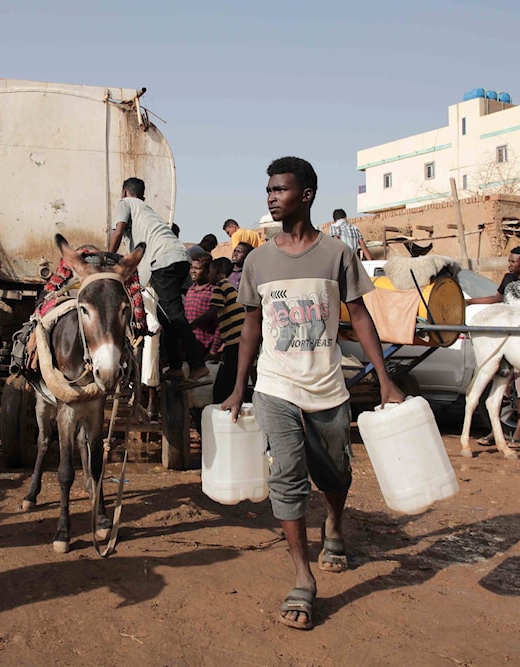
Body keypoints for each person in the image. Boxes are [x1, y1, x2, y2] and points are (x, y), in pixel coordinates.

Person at [221, 156, 404, 631]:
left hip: (327, 386)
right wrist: (240, 388)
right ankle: (303, 578)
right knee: (287, 474)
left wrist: (384, 379)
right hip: (275, 386)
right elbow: (250, 330)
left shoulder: (336, 255)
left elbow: (359, 316)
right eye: (268, 189)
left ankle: (335, 525)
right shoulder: (258, 260)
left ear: (306, 195)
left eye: (279, 189)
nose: (270, 196)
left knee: (336, 474)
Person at [108, 177, 208, 381]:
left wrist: (108, 259)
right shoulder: (147, 210)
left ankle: (198, 364)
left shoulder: (125, 203)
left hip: (164, 260)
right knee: (165, 315)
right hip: (179, 257)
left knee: (174, 314)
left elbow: (118, 231)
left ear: (124, 191)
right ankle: (176, 366)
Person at [466, 246, 520, 446]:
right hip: (505, 342)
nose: (510, 264)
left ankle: (518, 432)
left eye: (513, 262)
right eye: (509, 261)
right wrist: (471, 301)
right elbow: (496, 299)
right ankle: (496, 433)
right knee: (502, 389)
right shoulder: (507, 279)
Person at [208, 257, 244, 404]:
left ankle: (223, 406)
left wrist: (192, 324)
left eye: (210, 272)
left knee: (224, 384)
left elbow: (213, 311)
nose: (208, 275)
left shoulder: (220, 286)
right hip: (238, 340)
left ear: (218, 273)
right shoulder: (229, 286)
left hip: (235, 341)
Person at [183, 252, 218, 354]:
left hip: (206, 347)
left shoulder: (213, 292)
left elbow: (219, 324)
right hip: (189, 345)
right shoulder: (190, 290)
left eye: (198, 268)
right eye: (192, 268)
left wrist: (214, 350)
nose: (193, 271)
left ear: (207, 271)